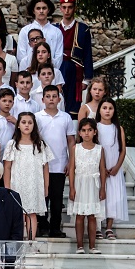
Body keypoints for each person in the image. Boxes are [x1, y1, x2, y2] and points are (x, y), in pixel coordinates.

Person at [3, 112, 53, 241]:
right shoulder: (12, 145)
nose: (27, 125)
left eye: (30, 123)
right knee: (18, 214)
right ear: (18, 125)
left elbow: (45, 167)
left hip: (34, 184)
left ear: (34, 125)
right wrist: (7, 188)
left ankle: (31, 242)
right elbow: (7, 167)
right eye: (23, 122)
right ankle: (18, 242)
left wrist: (46, 187)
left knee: (32, 213)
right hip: (17, 184)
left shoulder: (40, 145)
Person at [35, 85, 75, 238]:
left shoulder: (65, 117)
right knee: (42, 197)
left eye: (54, 96)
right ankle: (43, 225)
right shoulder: (37, 117)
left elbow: (71, 141)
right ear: (43, 99)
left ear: (59, 99)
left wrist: (70, 161)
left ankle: (55, 228)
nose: (51, 99)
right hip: (42, 164)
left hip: (59, 165)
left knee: (57, 198)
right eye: (48, 96)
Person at [68, 117, 106, 254]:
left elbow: (102, 169)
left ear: (95, 132)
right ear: (79, 133)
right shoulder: (75, 148)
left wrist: (103, 188)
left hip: (93, 185)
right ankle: (79, 246)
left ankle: (92, 246)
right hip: (80, 184)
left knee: (92, 216)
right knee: (79, 215)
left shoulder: (99, 149)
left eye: (90, 130)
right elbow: (71, 169)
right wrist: (72, 187)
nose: (87, 133)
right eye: (83, 130)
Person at [96, 96, 129, 238]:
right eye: (104, 108)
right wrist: (100, 168)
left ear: (114, 111)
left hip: (113, 168)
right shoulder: (95, 127)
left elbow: (122, 150)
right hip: (98, 168)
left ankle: (109, 227)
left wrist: (116, 167)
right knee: (98, 196)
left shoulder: (118, 128)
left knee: (114, 197)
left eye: (110, 108)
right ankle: (97, 226)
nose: (107, 111)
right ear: (99, 110)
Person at [55, 0, 94, 114]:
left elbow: (87, 54)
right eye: (64, 7)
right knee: (57, 101)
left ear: (74, 9)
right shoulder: (54, 28)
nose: (67, 11)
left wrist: (87, 79)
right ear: (60, 8)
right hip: (58, 68)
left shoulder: (83, 29)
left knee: (73, 107)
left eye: (70, 7)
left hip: (75, 70)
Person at [17, 0, 63, 70]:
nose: (41, 11)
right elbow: (21, 56)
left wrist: (48, 70)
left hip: (50, 74)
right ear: (33, 10)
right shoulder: (25, 31)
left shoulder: (56, 32)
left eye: (44, 8)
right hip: (29, 74)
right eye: (38, 8)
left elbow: (59, 57)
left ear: (48, 10)